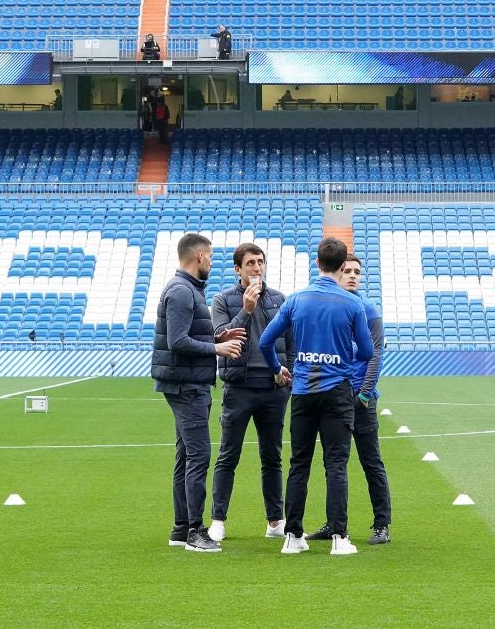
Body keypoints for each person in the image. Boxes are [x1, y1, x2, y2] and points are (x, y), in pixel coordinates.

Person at [259, 237, 373, 556]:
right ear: (340, 267)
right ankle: (340, 538)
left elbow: (266, 342)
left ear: (318, 263)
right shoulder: (352, 304)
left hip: (302, 391)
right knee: (336, 464)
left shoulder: (296, 300)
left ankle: (293, 536)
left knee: (299, 463)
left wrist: (277, 369)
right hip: (337, 392)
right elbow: (366, 350)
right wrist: (341, 357)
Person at [152, 233, 244, 554]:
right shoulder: (181, 292)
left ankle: (180, 528)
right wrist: (217, 347)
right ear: (200, 257)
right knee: (199, 456)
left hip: (186, 381)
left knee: (185, 456)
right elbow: (177, 341)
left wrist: (219, 334)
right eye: (211, 256)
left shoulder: (187, 290)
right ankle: (195, 531)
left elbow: (189, 334)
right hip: (186, 384)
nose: (212, 261)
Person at [305, 253, 391, 545]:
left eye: (357, 271)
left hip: (361, 399)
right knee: (334, 463)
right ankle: (334, 524)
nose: (353, 275)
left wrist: (365, 393)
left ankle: (382, 524)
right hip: (335, 397)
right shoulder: (332, 308)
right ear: (336, 273)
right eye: (347, 270)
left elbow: (375, 354)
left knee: (371, 461)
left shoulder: (370, 310)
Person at [208, 243, 290, 544]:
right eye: (251, 263)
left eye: (261, 262)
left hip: (272, 390)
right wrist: (246, 310)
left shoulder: (280, 300)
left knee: (272, 457)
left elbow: (290, 342)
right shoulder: (223, 300)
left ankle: (275, 520)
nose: (257, 268)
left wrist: (287, 376)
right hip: (238, 387)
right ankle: (218, 519)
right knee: (228, 455)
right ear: (237, 269)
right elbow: (220, 336)